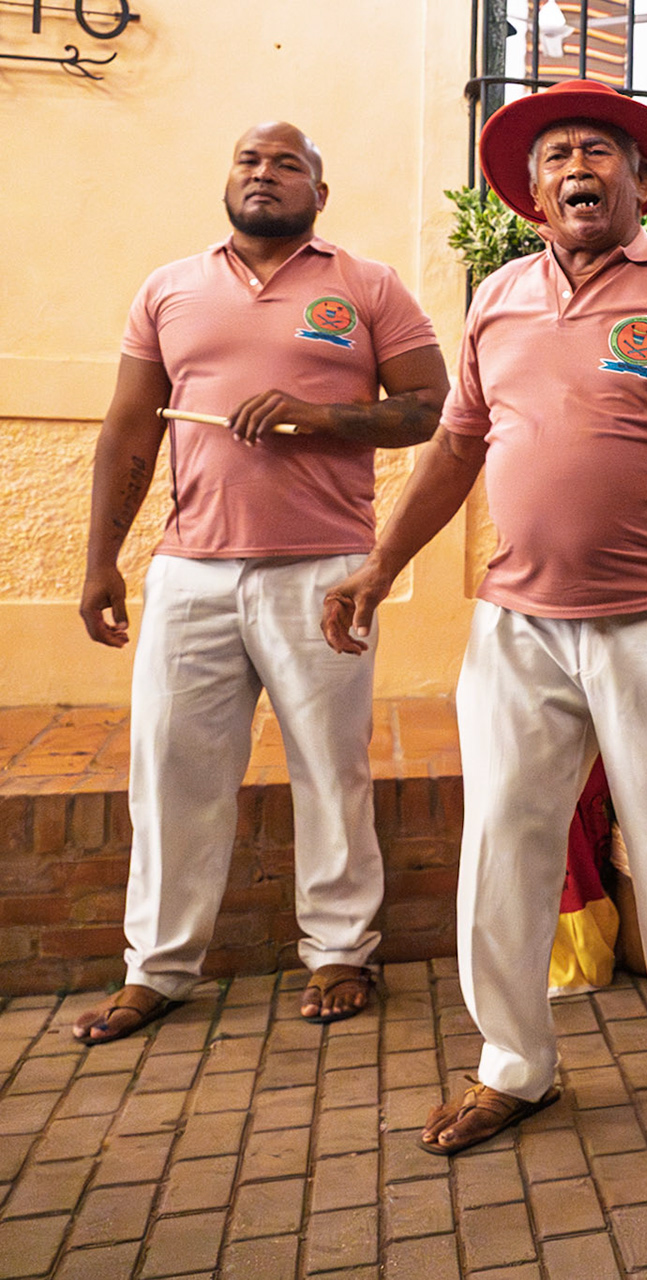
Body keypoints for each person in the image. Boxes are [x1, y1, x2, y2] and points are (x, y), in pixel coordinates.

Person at [322, 79, 647, 1149]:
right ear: (530, 192)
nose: (578, 168)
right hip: (521, 623)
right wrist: (376, 567)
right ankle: (514, 1062)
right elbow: (455, 449)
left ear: (640, 181)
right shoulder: (496, 297)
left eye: (600, 151)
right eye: (557, 156)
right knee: (504, 836)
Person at [71, 122, 447, 1043]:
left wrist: (320, 417)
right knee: (171, 770)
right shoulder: (170, 288)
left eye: (288, 164)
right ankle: (156, 969)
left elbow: (432, 408)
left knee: (331, 767)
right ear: (227, 179)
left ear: (320, 190)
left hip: (322, 570)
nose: (265, 174)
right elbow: (130, 428)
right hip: (190, 572)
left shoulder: (367, 286)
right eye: (249, 160)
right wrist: (100, 559)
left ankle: (339, 953)